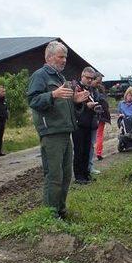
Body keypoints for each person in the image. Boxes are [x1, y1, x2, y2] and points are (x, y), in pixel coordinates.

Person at [27, 41, 89, 218]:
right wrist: (52, 94)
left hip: (65, 130)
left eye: (65, 57)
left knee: (66, 174)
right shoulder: (40, 76)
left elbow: (65, 104)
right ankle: (50, 214)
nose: (64, 61)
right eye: (61, 57)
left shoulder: (61, 78)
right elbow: (33, 101)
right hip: (51, 132)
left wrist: (76, 101)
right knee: (54, 175)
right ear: (49, 57)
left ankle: (61, 210)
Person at [72, 67, 101, 184]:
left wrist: (95, 107)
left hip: (90, 123)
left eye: (91, 78)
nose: (89, 80)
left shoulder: (92, 90)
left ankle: (86, 174)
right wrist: (85, 106)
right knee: (79, 151)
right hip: (78, 124)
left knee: (87, 151)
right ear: (82, 76)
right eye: (87, 78)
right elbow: (73, 106)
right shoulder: (75, 87)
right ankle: (79, 177)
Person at [93, 72, 111, 161]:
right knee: (99, 135)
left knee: (94, 136)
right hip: (102, 117)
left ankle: (94, 153)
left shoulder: (93, 91)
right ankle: (98, 153)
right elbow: (106, 106)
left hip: (96, 116)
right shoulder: (102, 92)